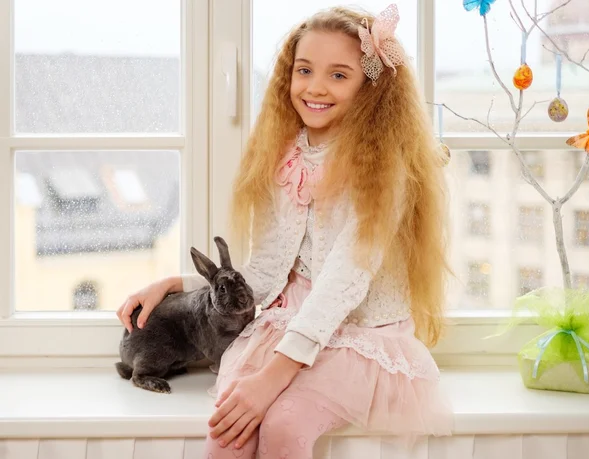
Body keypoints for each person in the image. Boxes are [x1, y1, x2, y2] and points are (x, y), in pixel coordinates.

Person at [117, 4, 453, 458]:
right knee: (227, 432)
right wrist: (179, 286)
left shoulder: (384, 168)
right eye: (305, 70)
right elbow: (270, 267)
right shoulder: (289, 154)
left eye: (339, 75)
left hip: (359, 336)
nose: (315, 87)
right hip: (290, 322)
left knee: (284, 424)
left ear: (371, 85)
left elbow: (344, 280)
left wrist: (271, 376)